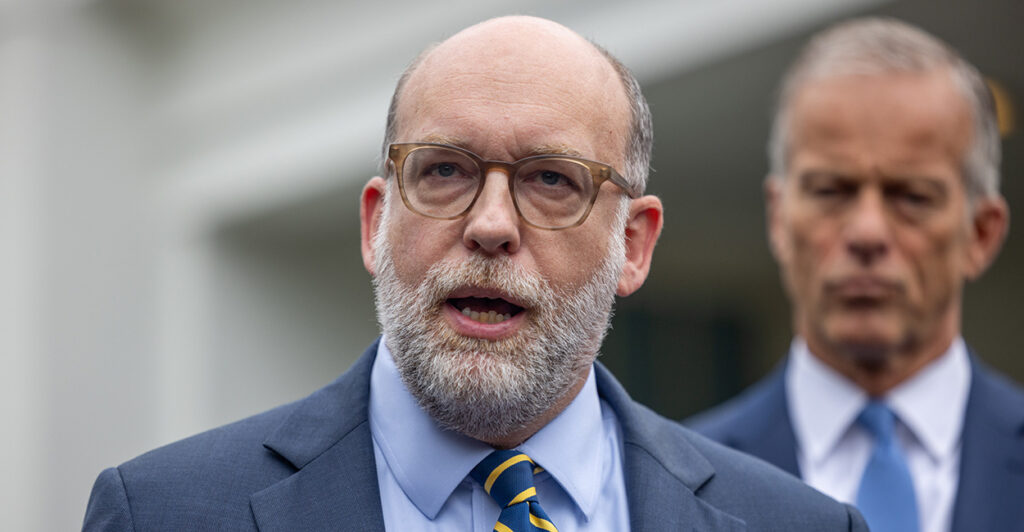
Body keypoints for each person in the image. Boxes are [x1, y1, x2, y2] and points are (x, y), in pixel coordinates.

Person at [84, 16, 866, 531]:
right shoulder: (163, 513)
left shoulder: (797, 525)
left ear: (633, 244)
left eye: (551, 180)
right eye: (446, 171)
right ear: (375, 223)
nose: (490, 226)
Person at [687, 17, 1023, 532]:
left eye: (912, 196)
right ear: (778, 219)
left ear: (981, 233)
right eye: (831, 191)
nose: (867, 233)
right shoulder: (673, 482)